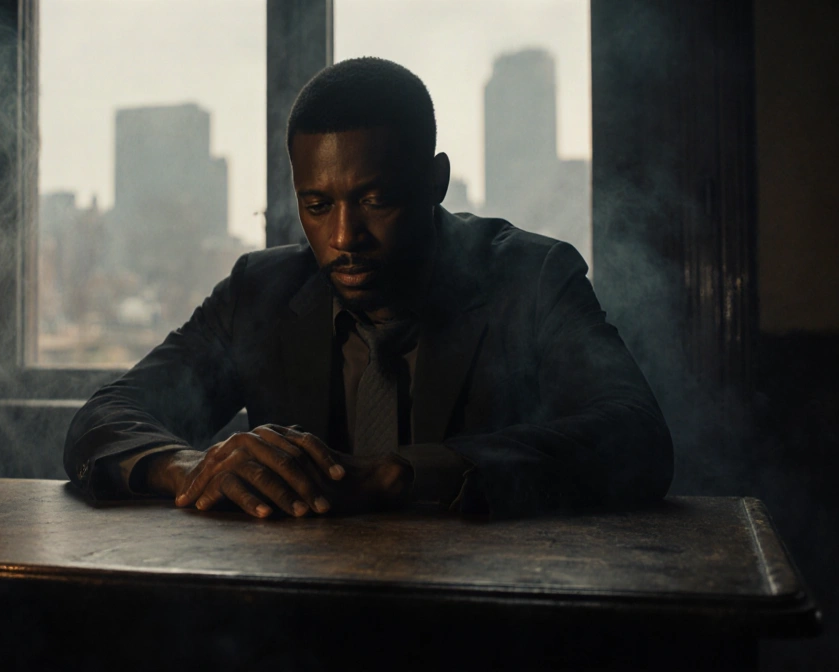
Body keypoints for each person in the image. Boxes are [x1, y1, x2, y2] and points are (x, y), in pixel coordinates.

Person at [64, 57, 673, 519]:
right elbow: (104, 419)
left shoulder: (531, 278)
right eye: (317, 205)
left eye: (375, 200)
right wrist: (192, 467)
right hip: (290, 619)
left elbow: (636, 437)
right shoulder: (259, 293)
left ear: (435, 181)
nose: (343, 237)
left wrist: (395, 476)